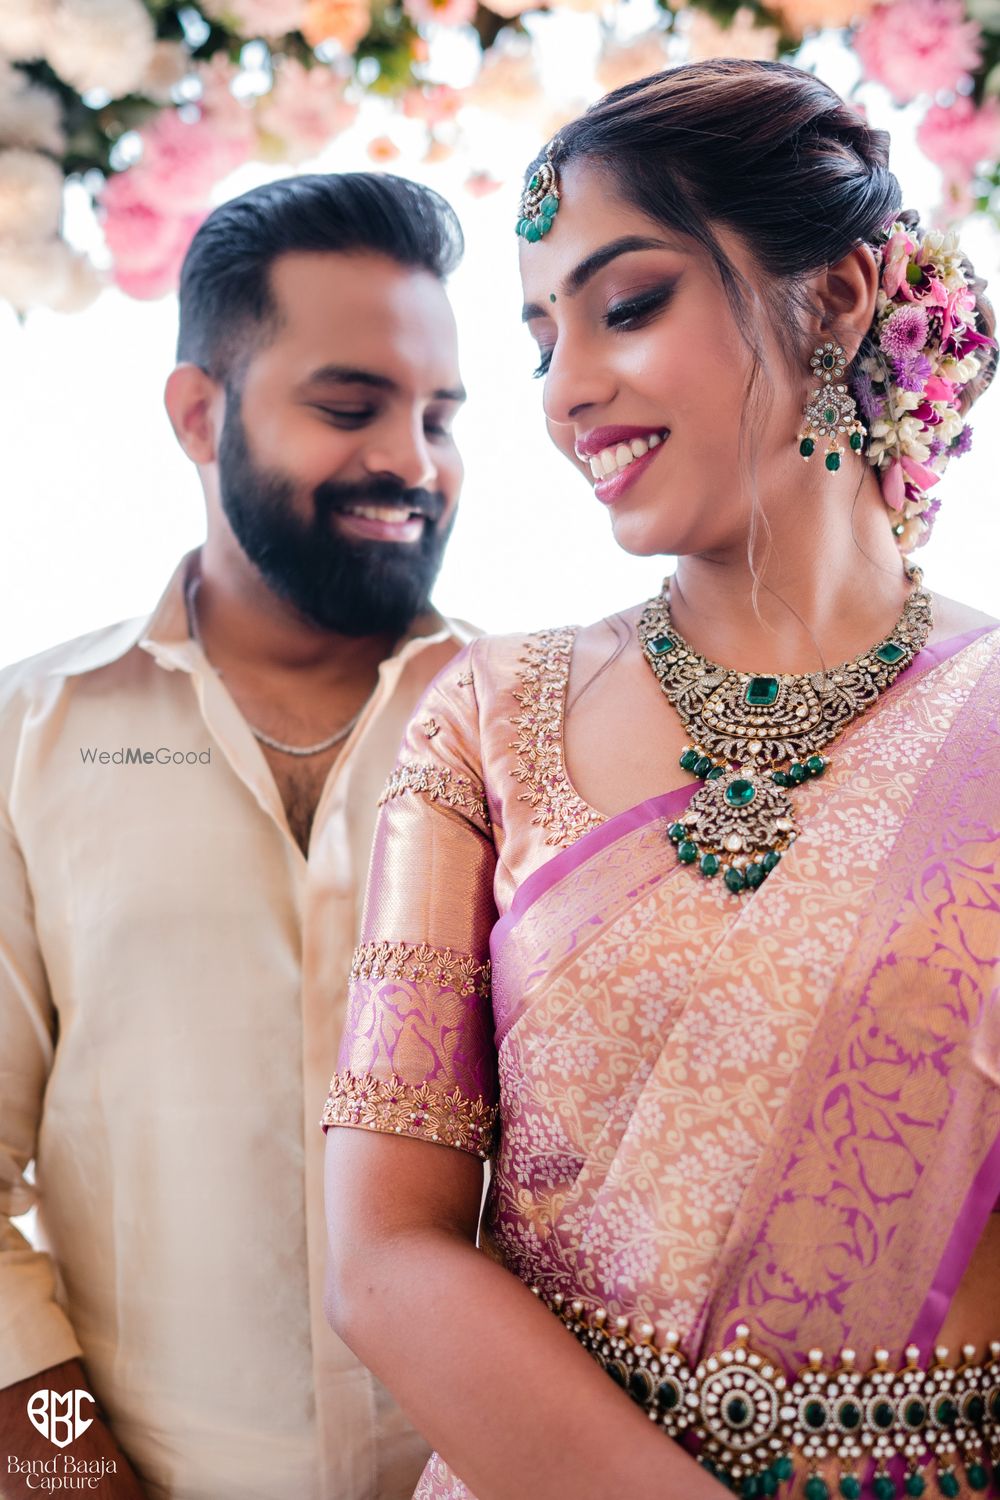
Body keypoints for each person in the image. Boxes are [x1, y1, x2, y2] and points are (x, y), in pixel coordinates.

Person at [322, 60, 1000, 1500]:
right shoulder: (488, 723)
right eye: (540, 341)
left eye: (627, 307)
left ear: (834, 299)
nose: (570, 391)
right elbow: (383, 1255)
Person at [0, 171, 472, 1499]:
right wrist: (67, 1484)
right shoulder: (31, 739)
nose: (413, 461)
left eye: (441, 414)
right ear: (199, 415)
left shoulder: (539, 735)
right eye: (350, 406)